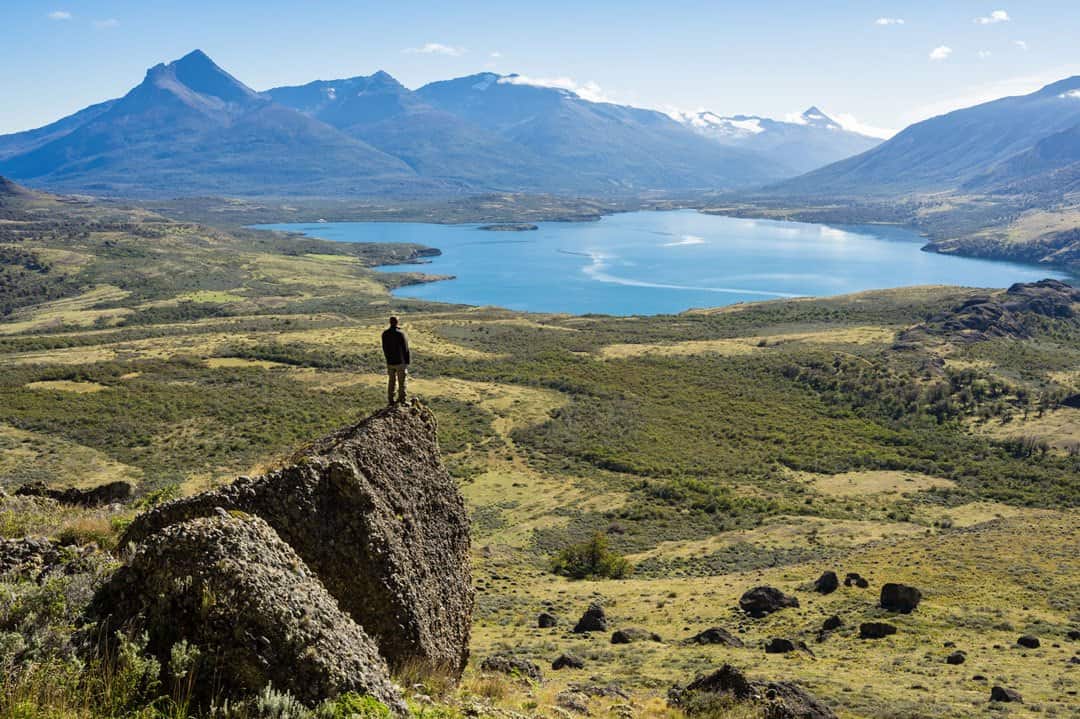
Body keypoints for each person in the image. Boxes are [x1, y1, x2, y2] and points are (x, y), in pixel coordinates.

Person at [381, 316, 410, 404]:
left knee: (391, 381)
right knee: (402, 382)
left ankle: (391, 400)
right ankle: (402, 400)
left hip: (390, 362)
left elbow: (384, 348)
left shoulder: (385, 334)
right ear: (397, 322)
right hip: (400, 362)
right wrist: (407, 361)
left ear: (390, 322)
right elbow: (405, 348)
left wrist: (387, 359)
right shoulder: (400, 333)